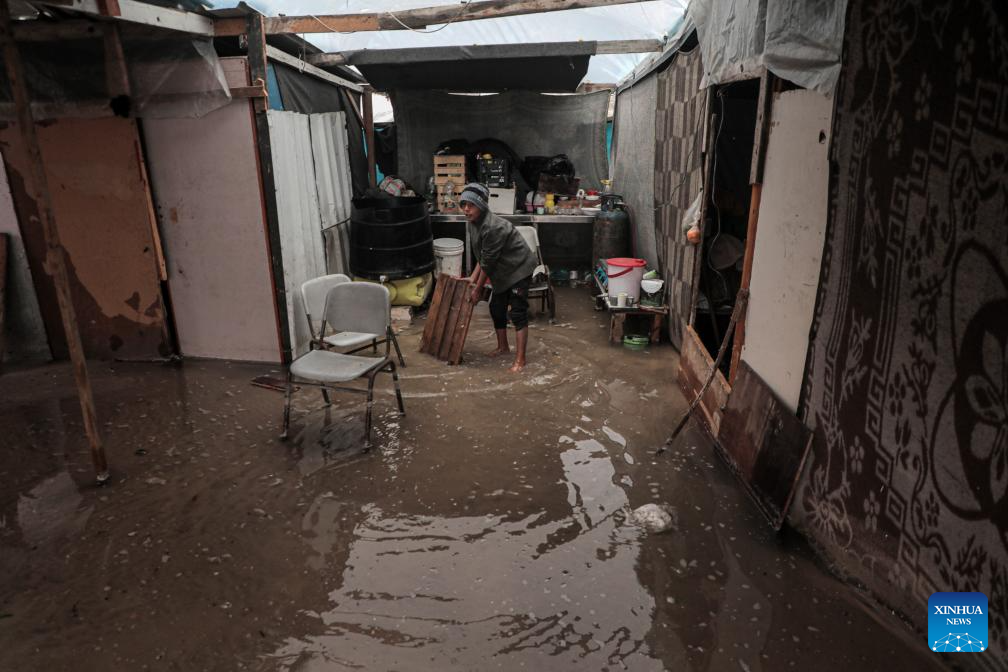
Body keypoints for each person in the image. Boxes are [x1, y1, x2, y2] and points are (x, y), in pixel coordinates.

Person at [459, 183, 537, 373]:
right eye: (463, 204)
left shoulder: (493, 227)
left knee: (518, 312)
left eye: (471, 205)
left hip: (519, 268)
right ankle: (503, 347)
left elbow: (489, 262)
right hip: (502, 270)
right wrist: (472, 278)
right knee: (496, 307)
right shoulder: (473, 223)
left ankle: (521, 360)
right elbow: (482, 256)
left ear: (482, 206)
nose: (466, 209)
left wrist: (478, 288)